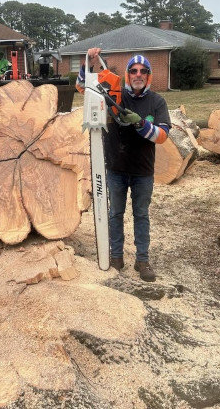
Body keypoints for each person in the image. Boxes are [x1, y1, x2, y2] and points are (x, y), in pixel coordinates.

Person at [76, 47, 171, 281]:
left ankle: (142, 260)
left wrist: (141, 125)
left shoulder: (157, 102)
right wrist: (89, 62)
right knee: (115, 213)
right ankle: (116, 256)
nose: (138, 74)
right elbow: (83, 86)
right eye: (133, 71)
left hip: (142, 170)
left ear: (148, 75)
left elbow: (162, 135)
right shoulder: (116, 91)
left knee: (141, 214)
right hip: (116, 166)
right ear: (128, 74)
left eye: (143, 71)